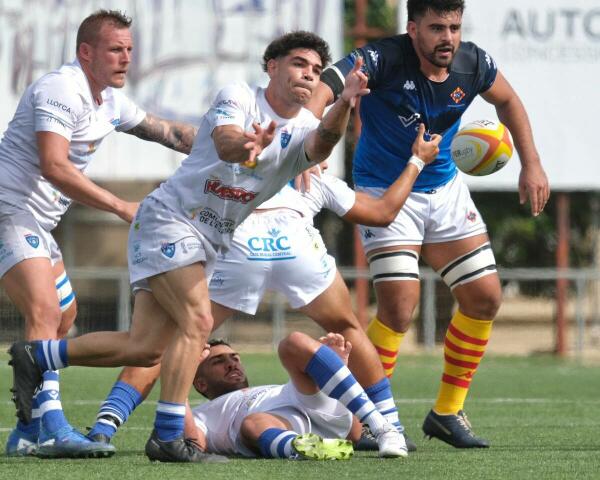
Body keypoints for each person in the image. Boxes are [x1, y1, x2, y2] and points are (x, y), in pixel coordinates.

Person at [8, 31, 374, 463]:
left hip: (208, 238)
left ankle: (39, 354)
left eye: (316, 71)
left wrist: (345, 101)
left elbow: (324, 143)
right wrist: (248, 146)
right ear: (272, 66)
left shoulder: (308, 127)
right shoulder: (238, 95)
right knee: (198, 319)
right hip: (169, 220)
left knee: (144, 347)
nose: (308, 75)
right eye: (298, 63)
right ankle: (167, 435)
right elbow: (225, 141)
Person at [85, 127, 441, 455]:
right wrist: (416, 161)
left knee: (173, 340)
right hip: (294, 245)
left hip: (240, 250)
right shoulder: (314, 178)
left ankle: (104, 427)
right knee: (347, 326)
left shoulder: (228, 169)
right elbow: (381, 212)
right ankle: (388, 424)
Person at [306, 0, 550, 449]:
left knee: (485, 297)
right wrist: (305, 141)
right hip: (384, 190)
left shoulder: (472, 63)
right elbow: (326, 85)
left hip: (444, 188)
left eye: (454, 27)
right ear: (413, 28)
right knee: (400, 307)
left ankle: (447, 412)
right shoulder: (383, 57)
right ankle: (364, 420)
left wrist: (531, 164)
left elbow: (509, 101)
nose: (448, 38)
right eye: (437, 28)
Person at [0, 10, 198, 458]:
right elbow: (54, 166)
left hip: (38, 223)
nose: (126, 58)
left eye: (129, 49)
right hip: (8, 209)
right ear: (86, 52)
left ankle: (26, 431)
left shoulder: (109, 100)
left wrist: (236, 142)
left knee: (64, 322)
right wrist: (120, 206)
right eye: (115, 49)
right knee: (45, 313)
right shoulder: (60, 89)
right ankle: (49, 428)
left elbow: (168, 131)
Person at [187, 332, 392, 460]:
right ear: (200, 383)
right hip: (281, 425)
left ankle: (335, 379)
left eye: (235, 358)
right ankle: (303, 447)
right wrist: (181, 376)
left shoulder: (265, 389)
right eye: (218, 361)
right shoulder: (200, 414)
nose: (232, 364)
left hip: (298, 397)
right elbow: (196, 443)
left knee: (294, 343)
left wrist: (325, 371)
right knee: (252, 424)